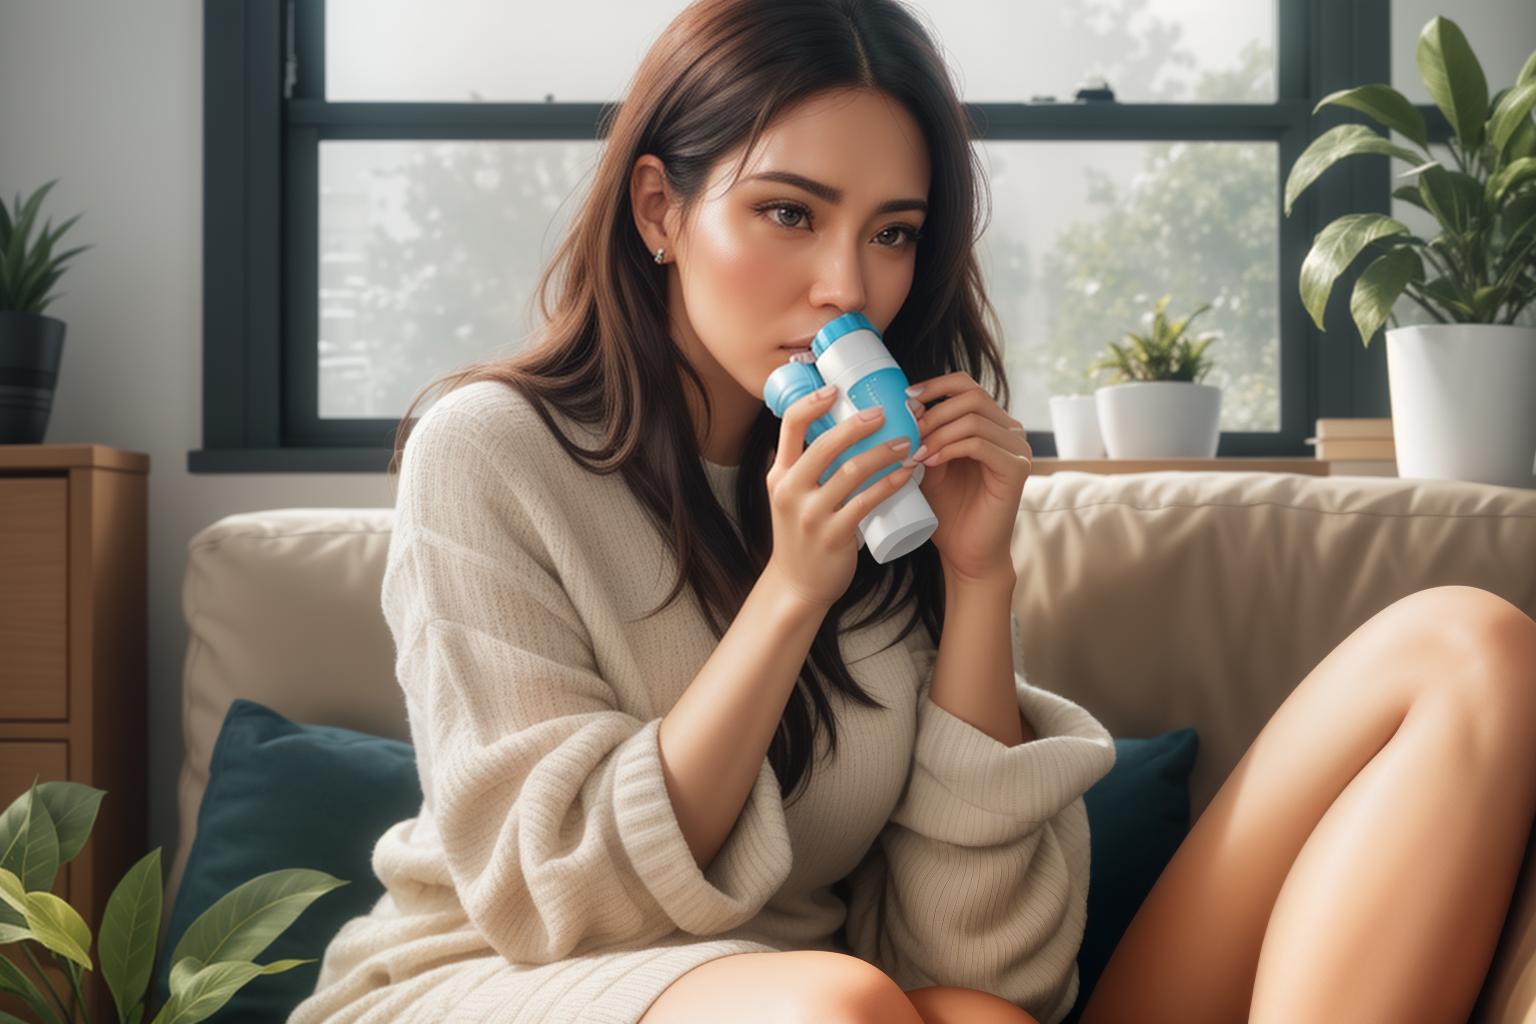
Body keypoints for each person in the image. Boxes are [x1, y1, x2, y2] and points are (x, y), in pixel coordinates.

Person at [287, 1, 1536, 1022]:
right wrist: (790, 593)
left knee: (1471, 646)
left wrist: (980, 580)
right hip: (506, 981)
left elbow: (984, 966)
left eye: (892, 233)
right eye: (789, 212)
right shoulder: (490, 452)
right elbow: (568, 897)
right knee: (838, 1008)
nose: (849, 286)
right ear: (661, 210)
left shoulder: (896, 484)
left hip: (855, 1001)